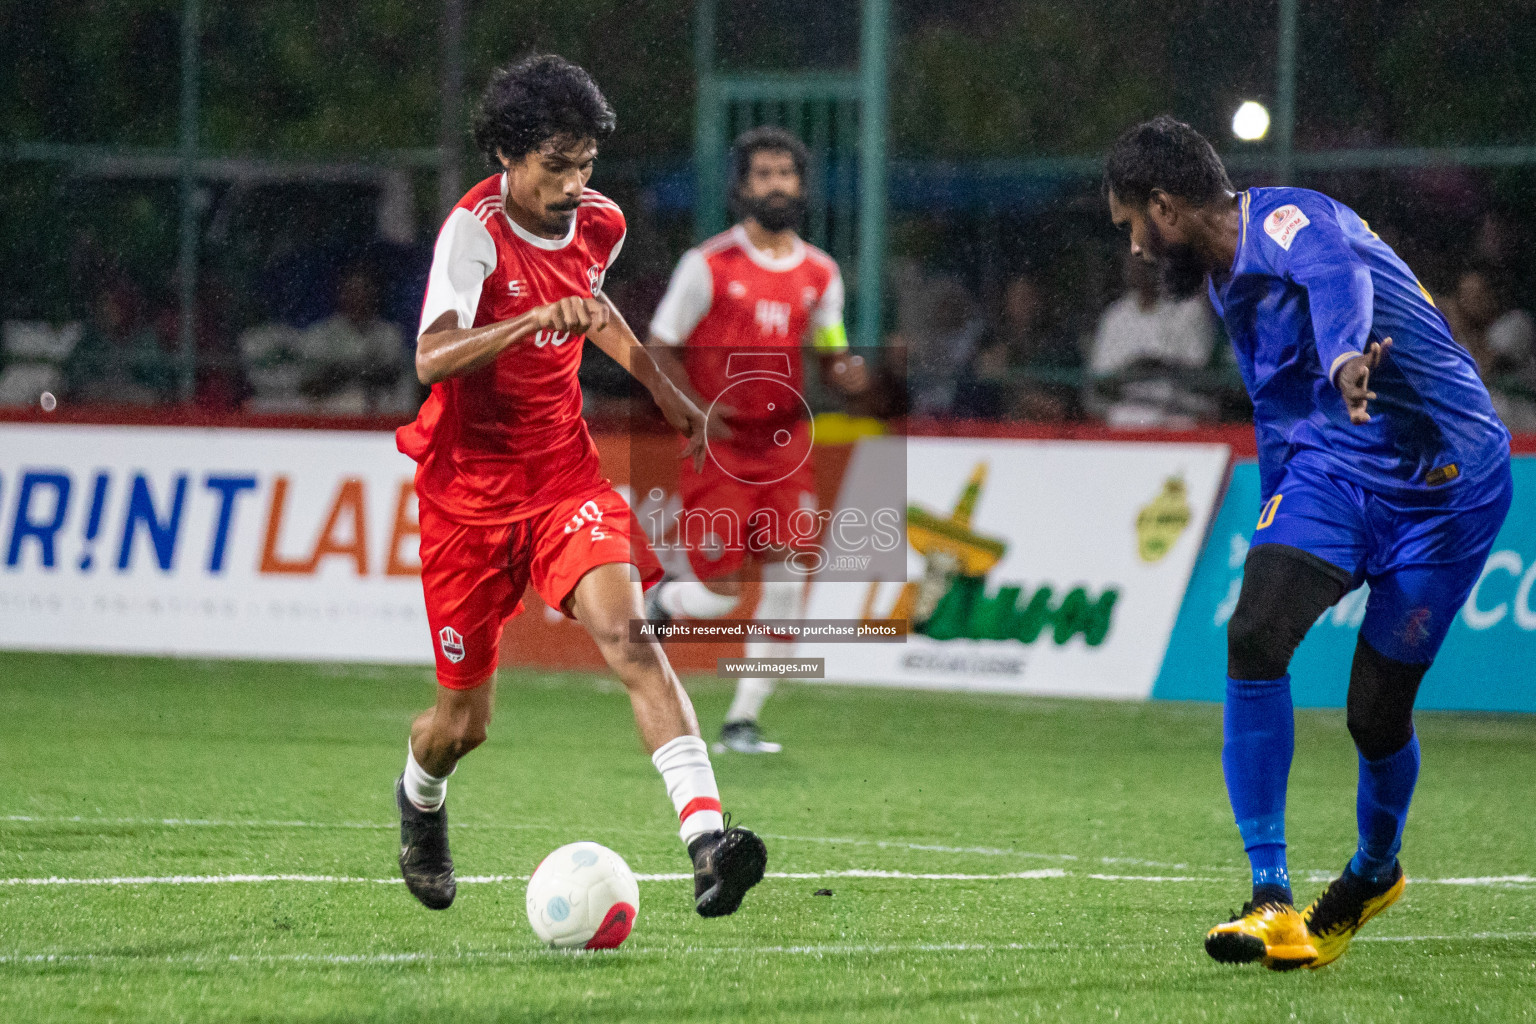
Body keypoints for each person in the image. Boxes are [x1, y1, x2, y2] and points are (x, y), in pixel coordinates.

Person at [1104, 116, 1512, 970]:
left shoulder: (1292, 223)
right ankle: (1270, 896)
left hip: (1449, 487)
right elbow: (1278, 403)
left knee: (1374, 713)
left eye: (1132, 226)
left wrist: (1342, 362)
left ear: (1166, 207)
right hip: (1336, 472)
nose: (1136, 249)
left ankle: (1372, 873)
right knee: (1254, 635)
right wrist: (1282, 496)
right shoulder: (1222, 282)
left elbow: (1337, 280)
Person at [394, 55, 767, 918]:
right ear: (506, 154)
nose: (572, 183)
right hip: (467, 497)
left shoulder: (601, 224)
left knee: (631, 637)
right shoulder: (473, 232)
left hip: (563, 476)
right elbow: (430, 357)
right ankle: (419, 802)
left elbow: (594, 310)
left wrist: (674, 400)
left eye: (584, 164)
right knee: (462, 727)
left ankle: (708, 844)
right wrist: (525, 319)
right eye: (555, 163)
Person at [643, 126, 867, 754]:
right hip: (723, 449)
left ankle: (743, 719)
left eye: (787, 173)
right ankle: (664, 600)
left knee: (791, 579)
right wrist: (691, 410)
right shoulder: (708, 264)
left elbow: (832, 348)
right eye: (763, 173)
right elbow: (660, 345)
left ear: (801, 186)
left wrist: (847, 371)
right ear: (742, 187)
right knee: (720, 594)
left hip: (786, 448)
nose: (776, 184)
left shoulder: (821, 272)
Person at [1085, 251, 1218, 427]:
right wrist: (1135, 368)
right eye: (1135, 264)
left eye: (1148, 265)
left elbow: (1200, 369)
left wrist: (1161, 365)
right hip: (1127, 408)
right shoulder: (1116, 315)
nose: (1141, 270)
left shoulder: (1189, 309)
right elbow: (1101, 376)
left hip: (1179, 410)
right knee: (1123, 417)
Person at [300, 267, 412, 414]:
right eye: (351, 290)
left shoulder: (389, 334)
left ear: (374, 294)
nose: (358, 296)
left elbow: (393, 376)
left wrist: (347, 371)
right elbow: (311, 381)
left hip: (381, 412)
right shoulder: (321, 333)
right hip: (330, 412)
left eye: (364, 290)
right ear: (340, 294)